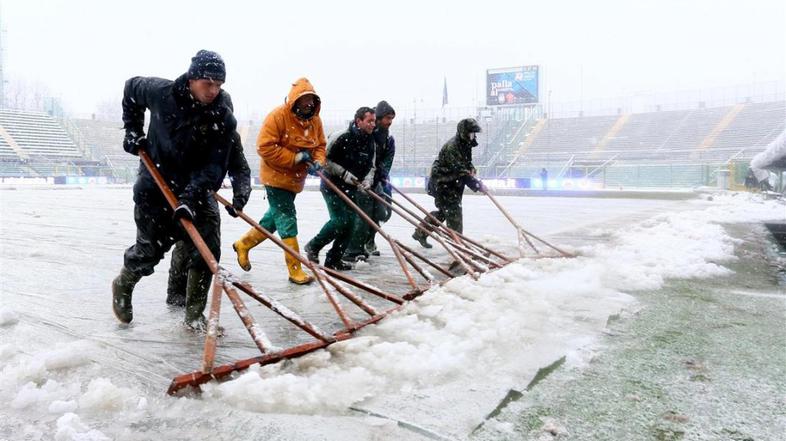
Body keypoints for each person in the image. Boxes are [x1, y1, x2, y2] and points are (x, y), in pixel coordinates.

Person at [112, 50, 244, 328]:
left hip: (196, 189)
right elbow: (130, 89)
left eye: (219, 85)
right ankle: (124, 283)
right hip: (155, 185)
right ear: (192, 78)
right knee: (149, 252)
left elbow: (214, 168)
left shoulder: (222, 118)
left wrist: (190, 197)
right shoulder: (161, 92)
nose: (213, 90)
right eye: (208, 83)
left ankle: (194, 315)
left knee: (207, 250)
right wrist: (132, 130)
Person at [231, 78, 326, 285]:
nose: (309, 104)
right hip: (275, 178)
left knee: (273, 220)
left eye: (312, 100)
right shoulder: (277, 117)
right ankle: (295, 269)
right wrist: (294, 158)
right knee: (287, 220)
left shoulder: (315, 121)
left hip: (295, 181)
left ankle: (243, 244)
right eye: (305, 100)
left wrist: (318, 161)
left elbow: (320, 146)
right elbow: (264, 147)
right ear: (295, 100)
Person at [166, 131, 251, 307]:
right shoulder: (186, 122)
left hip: (206, 192)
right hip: (180, 190)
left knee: (210, 245)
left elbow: (239, 168)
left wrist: (239, 199)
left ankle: (195, 308)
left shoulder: (227, 132)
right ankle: (177, 291)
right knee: (185, 241)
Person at [305, 107, 377, 270]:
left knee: (351, 224)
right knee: (340, 220)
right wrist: (343, 174)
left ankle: (334, 259)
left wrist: (367, 181)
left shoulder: (370, 141)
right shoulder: (341, 137)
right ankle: (313, 246)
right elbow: (324, 160)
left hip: (351, 187)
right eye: (369, 121)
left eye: (374, 121)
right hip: (332, 185)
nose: (373, 125)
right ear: (358, 121)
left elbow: (372, 166)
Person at [412, 118, 483, 249]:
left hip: (452, 182)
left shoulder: (465, 144)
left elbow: (466, 163)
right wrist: (477, 185)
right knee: (454, 213)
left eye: (474, 133)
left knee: (445, 212)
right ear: (464, 132)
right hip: (442, 183)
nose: (473, 136)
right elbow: (461, 171)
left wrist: (471, 167)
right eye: (471, 133)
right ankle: (458, 246)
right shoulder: (453, 147)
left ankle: (421, 232)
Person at [343, 100, 396, 262]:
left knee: (383, 212)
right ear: (379, 118)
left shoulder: (388, 138)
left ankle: (368, 238)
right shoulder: (368, 133)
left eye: (392, 118)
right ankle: (356, 246)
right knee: (363, 214)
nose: (390, 122)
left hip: (378, 179)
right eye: (387, 118)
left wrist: (381, 174)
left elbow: (387, 159)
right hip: (363, 179)